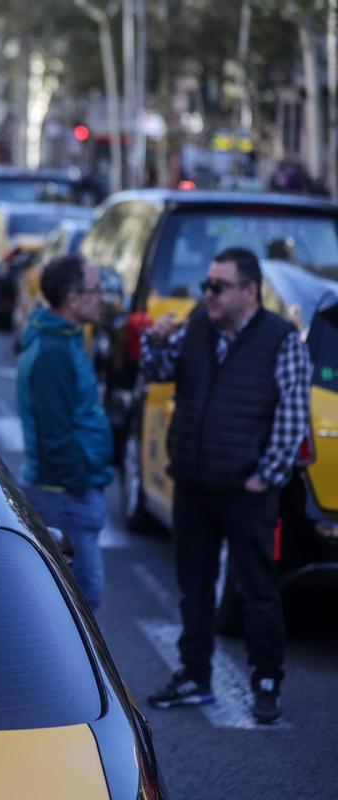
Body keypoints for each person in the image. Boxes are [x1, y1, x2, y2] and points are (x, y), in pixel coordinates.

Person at [142, 246, 311, 725]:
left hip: (246, 491)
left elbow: (292, 415)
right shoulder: (198, 325)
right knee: (193, 588)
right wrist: (156, 341)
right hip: (195, 484)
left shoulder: (281, 340)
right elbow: (157, 371)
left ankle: (265, 682)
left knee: (257, 588)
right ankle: (195, 675)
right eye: (206, 286)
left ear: (250, 291)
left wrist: (266, 477)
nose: (207, 295)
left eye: (218, 287)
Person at [17, 254, 114, 610]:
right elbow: (54, 435)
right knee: (80, 600)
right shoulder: (54, 351)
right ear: (73, 299)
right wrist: (81, 480)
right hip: (64, 495)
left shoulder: (66, 337)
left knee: (74, 600)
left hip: (68, 490)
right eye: (96, 289)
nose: (101, 297)